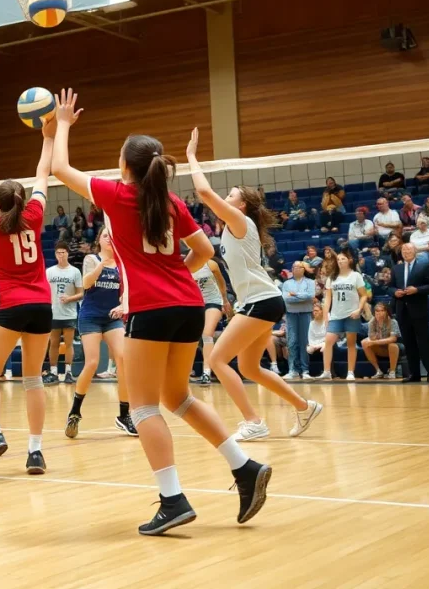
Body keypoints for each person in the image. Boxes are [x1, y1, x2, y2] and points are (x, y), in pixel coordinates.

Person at [52, 89, 269, 536]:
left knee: (143, 408)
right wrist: (174, 277)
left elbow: (59, 169)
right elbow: (205, 251)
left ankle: (173, 500)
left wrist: (64, 125)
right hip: (188, 305)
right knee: (178, 398)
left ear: (125, 165)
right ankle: (244, 467)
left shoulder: (116, 194)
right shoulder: (171, 203)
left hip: (151, 310)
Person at [187, 130, 322, 442]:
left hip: (261, 301)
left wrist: (192, 156)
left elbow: (204, 192)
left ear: (242, 205)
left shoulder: (240, 221)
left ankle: (254, 421)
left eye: (231, 194)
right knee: (248, 367)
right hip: (262, 300)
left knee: (217, 359)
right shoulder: (232, 228)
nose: (226, 197)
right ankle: (304, 407)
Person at [0, 127, 54, 477]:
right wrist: (48, 137)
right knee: (33, 379)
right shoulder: (34, 216)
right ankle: (35, 451)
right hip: (42, 305)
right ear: (21, 199)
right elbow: (42, 174)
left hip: (12, 305)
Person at [65, 228, 137, 439]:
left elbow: (127, 293)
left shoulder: (122, 264)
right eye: (105, 235)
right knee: (92, 363)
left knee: (123, 358)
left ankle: (124, 415)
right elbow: (86, 283)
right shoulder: (91, 259)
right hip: (90, 317)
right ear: (99, 240)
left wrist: (123, 306)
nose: (109, 238)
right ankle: (75, 411)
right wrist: (101, 265)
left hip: (112, 319)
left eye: (111, 235)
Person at [391, 243, 429, 382]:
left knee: (424, 343)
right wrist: (395, 292)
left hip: (419, 310)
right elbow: (389, 287)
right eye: (404, 250)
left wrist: (417, 290)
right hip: (402, 310)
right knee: (409, 343)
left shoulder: (424, 266)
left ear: (415, 251)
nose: (406, 252)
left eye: (409, 249)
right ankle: (414, 374)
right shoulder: (396, 268)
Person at [320, 252, 369, 380]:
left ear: (349, 260)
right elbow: (328, 299)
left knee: (351, 344)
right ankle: (326, 371)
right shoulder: (332, 278)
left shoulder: (356, 276)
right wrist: (326, 316)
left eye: (343, 259)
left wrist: (359, 309)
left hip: (352, 314)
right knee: (328, 341)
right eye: (338, 259)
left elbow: (364, 295)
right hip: (336, 315)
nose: (340, 261)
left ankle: (350, 372)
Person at [45, 244, 83, 384]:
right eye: (58, 253)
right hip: (53, 312)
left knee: (68, 343)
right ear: (55, 255)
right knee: (53, 343)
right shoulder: (49, 272)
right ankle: (53, 372)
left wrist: (69, 298)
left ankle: (68, 372)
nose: (61, 255)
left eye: (63, 252)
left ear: (67, 253)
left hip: (69, 313)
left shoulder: (75, 272)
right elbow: (44, 291)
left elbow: (81, 293)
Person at [192, 257, 231, 386]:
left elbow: (221, 282)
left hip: (213, 301)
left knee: (207, 334)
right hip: (196, 303)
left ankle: (206, 373)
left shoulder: (211, 264)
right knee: (191, 337)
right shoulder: (186, 264)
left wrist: (225, 300)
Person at [281, 262, 315, 380]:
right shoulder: (286, 283)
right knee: (292, 342)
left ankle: (305, 370)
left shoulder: (310, 282)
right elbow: (286, 298)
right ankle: (292, 370)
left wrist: (294, 295)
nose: (296, 269)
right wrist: (301, 297)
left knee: (304, 342)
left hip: (305, 313)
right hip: (291, 314)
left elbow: (310, 296)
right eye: (294, 267)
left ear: (303, 269)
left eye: (298, 267)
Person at [361, 303, 401, 379]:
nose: (379, 313)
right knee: (364, 342)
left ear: (387, 312)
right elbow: (372, 337)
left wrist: (376, 341)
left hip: (394, 347)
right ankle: (378, 371)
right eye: (377, 311)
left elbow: (393, 339)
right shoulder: (372, 322)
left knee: (392, 345)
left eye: (382, 311)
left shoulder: (393, 321)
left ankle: (392, 371)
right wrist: (375, 339)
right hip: (380, 347)